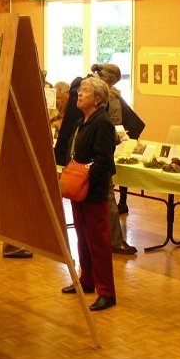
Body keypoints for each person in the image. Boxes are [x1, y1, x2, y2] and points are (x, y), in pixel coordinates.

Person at [60, 77, 117, 311]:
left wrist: (88, 184)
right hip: (79, 188)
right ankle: (86, 280)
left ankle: (107, 292)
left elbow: (103, 161)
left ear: (98, 99)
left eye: (85, 92)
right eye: (80, 91)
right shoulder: (82, 120)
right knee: (82, 237)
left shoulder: (102, 124)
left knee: (98, 242)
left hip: (92, 190)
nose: (80, 95)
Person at [94, 63, 137, 254]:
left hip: (90, 149)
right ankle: (115, 240)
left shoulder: (85, 88)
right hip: (102, 150)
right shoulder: (110, 96)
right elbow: (115, 126)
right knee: (108, 195)